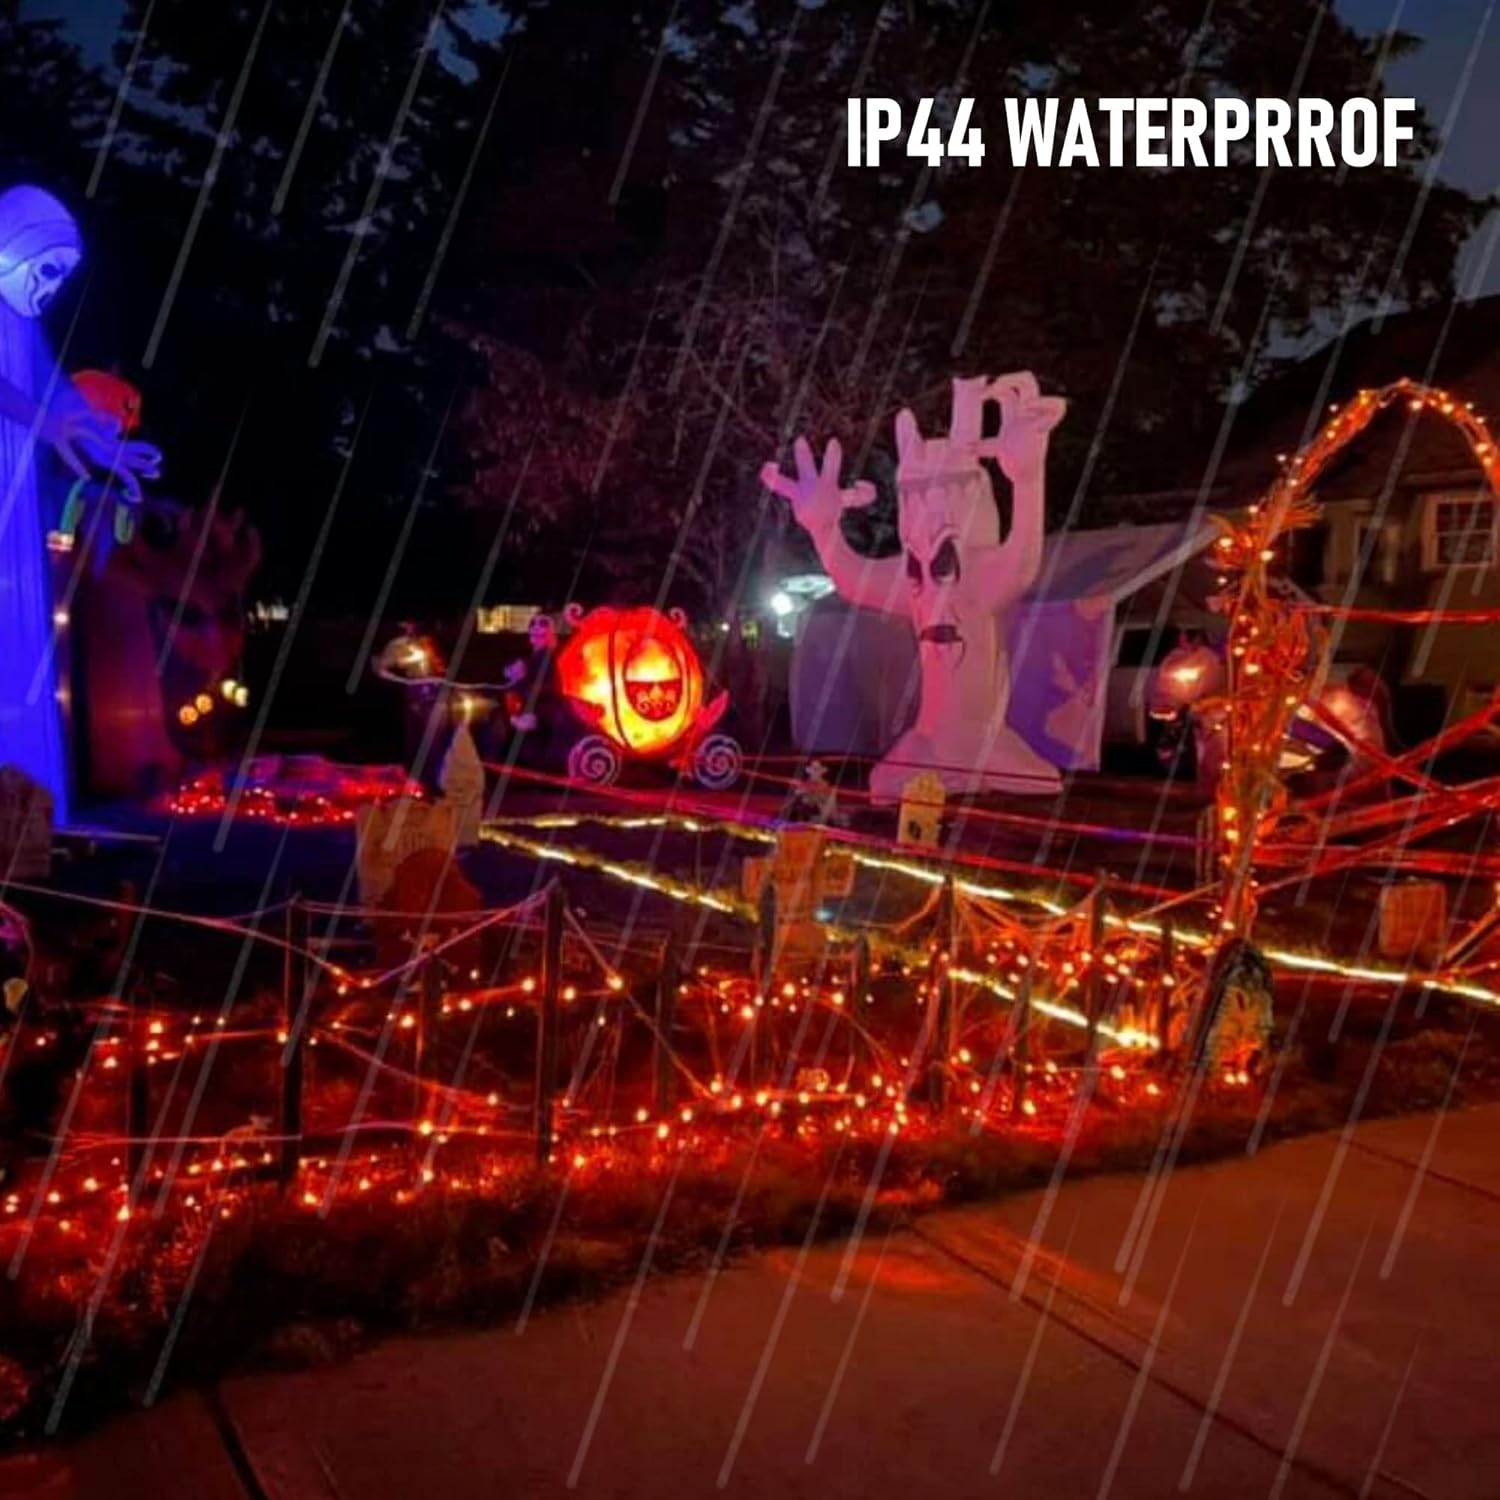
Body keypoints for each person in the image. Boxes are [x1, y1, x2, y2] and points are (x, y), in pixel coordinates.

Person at [0, 185, 160, 822]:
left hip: (13, 510)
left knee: (18, 647)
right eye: (45, 270)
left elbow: (59, 399)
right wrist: (45, 421)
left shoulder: (23, 327)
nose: (50, 287)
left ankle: (26, 815)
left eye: (60, 277)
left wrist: (106, 447)